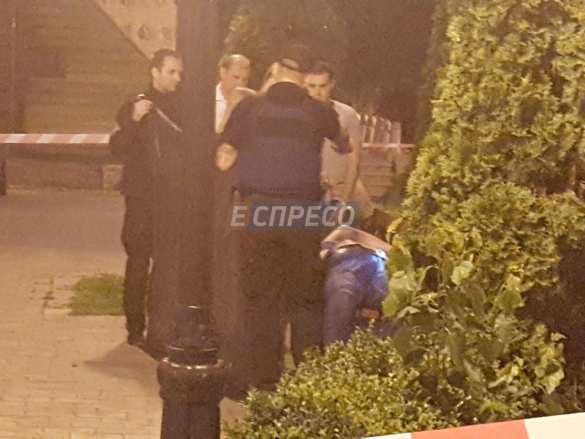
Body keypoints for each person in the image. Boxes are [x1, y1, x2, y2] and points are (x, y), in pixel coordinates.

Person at [215, 46, 350, 395]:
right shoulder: (317, 110)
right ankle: (306, 381)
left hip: (258, 212)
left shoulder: (249, 107)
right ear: (303, 79)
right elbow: (343, 144)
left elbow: (223, 159)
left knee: (260, 299)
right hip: (303, 214)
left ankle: (264, 382)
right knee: (304, 299)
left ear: (273, 74)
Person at [109, 49, 183, 352]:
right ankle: (135, 327)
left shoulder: (183, 106)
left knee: (167, 265)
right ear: (155, 71)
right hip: (141, 197)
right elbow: (117, 147)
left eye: (179, 73)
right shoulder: (135, 105)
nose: (177, 78)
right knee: (138, 262)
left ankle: (161, 327)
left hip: (171, 198)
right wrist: (134, 119)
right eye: (171, 72)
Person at [304, 62, 374, 215]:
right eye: (312, 86)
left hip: (341, 188)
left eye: (322, 86)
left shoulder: (347, 115)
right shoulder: (296, 115)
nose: (317, 92)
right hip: (308, 191)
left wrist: (344, 200)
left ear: (332, 84)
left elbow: (354, 161)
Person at [320, 225, 390, 345]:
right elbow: (346, 232)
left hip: (376, 262)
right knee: (343, 309)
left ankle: (336, 351)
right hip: (350, 258)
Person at [215, 54, 251, 133]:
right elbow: (212, 136)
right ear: (223, 72)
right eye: (236, 77)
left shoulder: (249, 104)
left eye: (244, 80)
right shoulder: (207, 100)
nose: (240, 84)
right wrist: (230, 108)